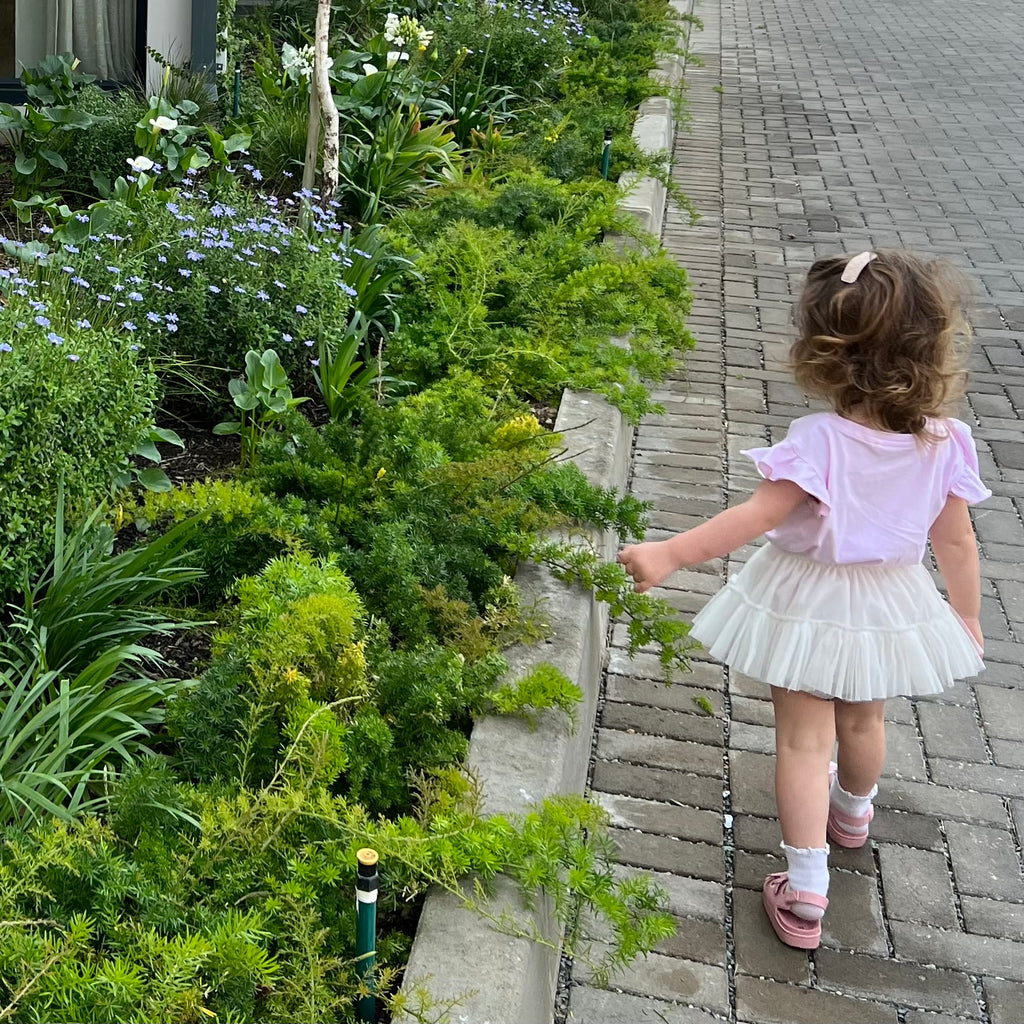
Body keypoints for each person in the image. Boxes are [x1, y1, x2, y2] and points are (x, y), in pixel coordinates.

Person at [617, 250, 988, 950]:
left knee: (800, 739)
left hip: (807, 606)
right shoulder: (945, 443)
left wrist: (667, 554)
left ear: (824, 354)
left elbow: (752, 519)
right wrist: (964, 614)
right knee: (864, 721)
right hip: (889, 605)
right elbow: (959, 543)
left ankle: (808, 890)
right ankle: (852, 814)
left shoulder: (817, 443)